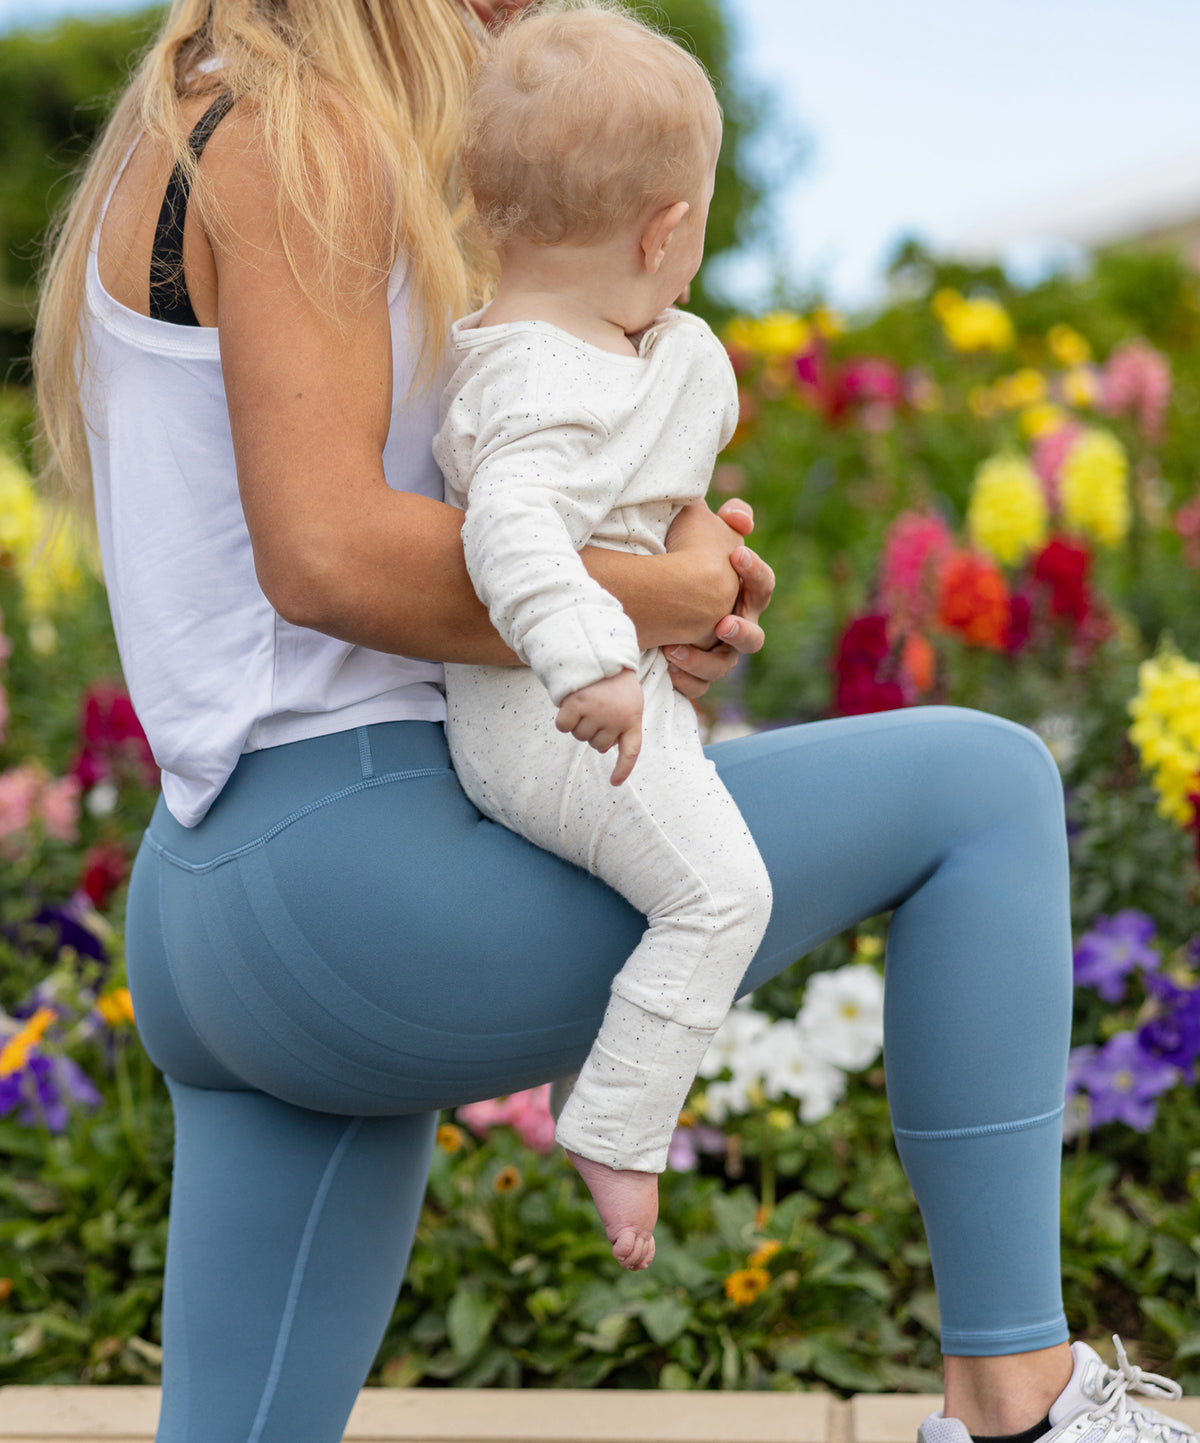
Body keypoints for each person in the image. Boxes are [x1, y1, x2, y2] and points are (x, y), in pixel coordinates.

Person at [29, 0, 1199, 1440]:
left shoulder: (199, 116)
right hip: (362, 873)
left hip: (222, 894)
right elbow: (325, 552)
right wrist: (649, 595)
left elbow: (432, 503)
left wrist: (652, 589)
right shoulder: (306, 134)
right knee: (983, 786)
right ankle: (1019, 1402)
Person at [436, 3, 771, 1272]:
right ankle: (619, 1127)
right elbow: (513, 531)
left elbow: (622, 510)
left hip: (603, 698)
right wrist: (590, 667)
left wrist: (702, 560)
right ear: (666, 230)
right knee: (722, 893)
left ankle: (610, 1105)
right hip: (547, 720)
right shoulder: (537, 379)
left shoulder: (601, 353)